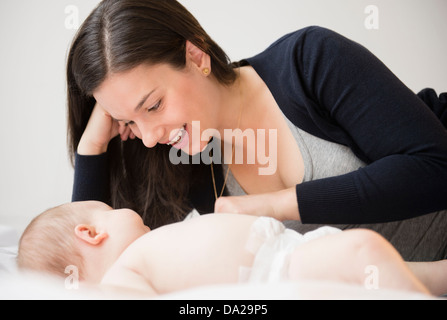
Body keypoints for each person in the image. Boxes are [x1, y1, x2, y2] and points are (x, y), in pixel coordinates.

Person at [67, 0, 447, 261]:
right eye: (130, 121)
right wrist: (93, 145)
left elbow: (436, 167)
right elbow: (95, 258)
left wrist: (271, 205)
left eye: (153, 105)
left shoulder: (309, 61)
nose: (149, 136)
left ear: (196, 57)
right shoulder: (184, 162)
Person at [17, 201, 447, 296]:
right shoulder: (121, 276)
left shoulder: (146, 250)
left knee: (406, 270)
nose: (128, 209)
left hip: (296, 251)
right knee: (366, 253)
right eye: (111, 209)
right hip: (284, 274)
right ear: (92, 234)